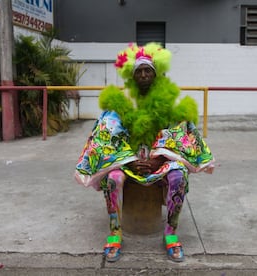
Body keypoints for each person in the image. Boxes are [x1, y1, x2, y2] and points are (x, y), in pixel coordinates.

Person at [75, 42, 214, 262]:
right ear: (132, 76)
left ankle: (170, 233)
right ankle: (115, 233)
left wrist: (159, 158)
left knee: (179, 175)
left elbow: (179, 134)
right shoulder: (120, 102)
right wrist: (128, 162)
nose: (143, 74)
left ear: (155, 74)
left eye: (147, 70)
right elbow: (106, 135)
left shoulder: (168, 103)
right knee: (113, 179)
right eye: (138, 71)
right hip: (127, 164)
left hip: (160, 163)